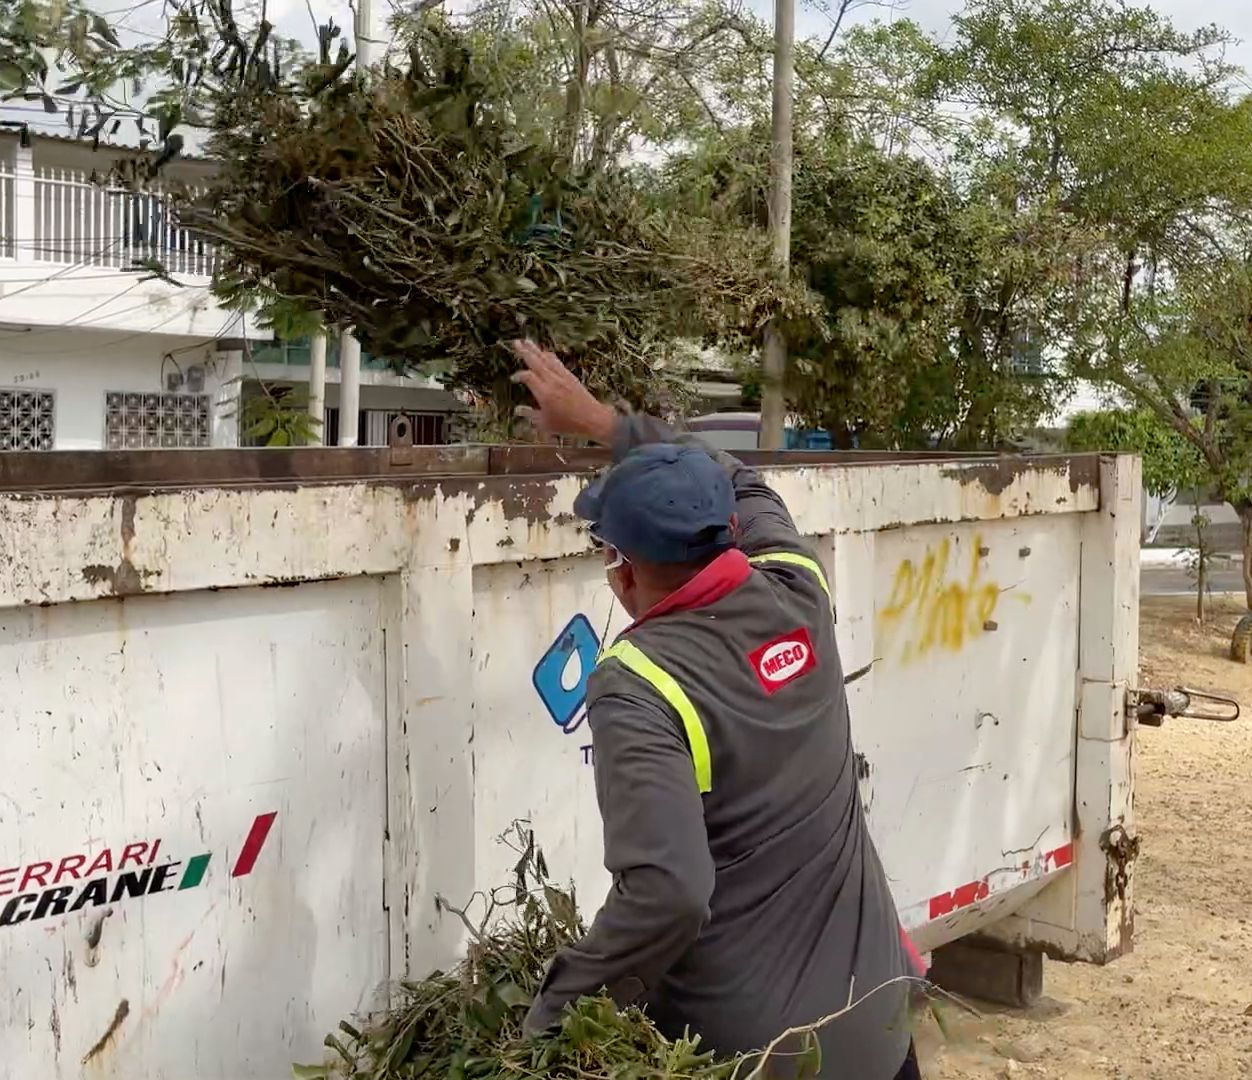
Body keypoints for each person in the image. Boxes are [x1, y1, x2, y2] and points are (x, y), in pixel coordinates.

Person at [513, 341, 922, 1080]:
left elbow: (669, 894)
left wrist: (553, 1014)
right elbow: (740, 475)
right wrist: (604, 421)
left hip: (756, 1059)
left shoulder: (640, 681)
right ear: (731, 532)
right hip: (879, 1027)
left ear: (622, 571)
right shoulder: (799, 589)